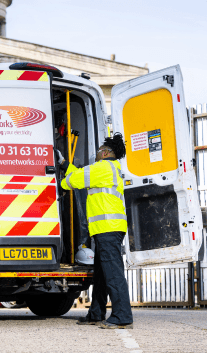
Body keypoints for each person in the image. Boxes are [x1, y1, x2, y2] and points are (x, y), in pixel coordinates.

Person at [56, 133, 133, 329]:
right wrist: (65, 164)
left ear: (106, 152)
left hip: (107, 229)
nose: (96, 154)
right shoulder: (109, 169)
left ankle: (122, 316)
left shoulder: (103, 168)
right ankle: (96, 313)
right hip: (107, 229)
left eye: (98, 151)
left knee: (113, 273)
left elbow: (75, 180)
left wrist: (62, 183)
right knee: (101, 273)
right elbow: (81, 174)